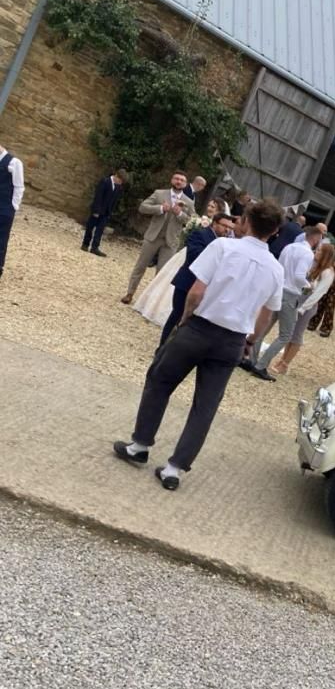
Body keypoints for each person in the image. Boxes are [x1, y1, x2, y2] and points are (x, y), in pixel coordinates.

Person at [112, 199, 285, 491]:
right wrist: (252, 339)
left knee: (160, 379)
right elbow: (268, 313)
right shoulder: (275, 269)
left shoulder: (222, 247)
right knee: (205, 406)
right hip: (232, 340)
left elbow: (196, 291)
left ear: (245, 221)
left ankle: (140, 444)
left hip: (201, 326)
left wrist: (184, 319)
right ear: (276, 230)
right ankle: (174, 468)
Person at [249, 225, 322, 381]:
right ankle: (261, 365)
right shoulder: (307, 253)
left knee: (265, 326)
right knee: (286, 334)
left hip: (278, 288)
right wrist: (309, 285)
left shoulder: (289, 247)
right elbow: (298, 276)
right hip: (290, 293)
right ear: (315, 238)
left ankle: (252, 359)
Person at [122, 170, 195, 305]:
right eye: (176, 178)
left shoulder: (189, 202)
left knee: (162, 273)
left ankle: (151, 301)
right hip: (153, 236)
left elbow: (191, 221)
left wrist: (180, 214)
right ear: (172, 180)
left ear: (185, 184)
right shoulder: (159, 193)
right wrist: (160, 208)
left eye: (182, 180)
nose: (178, 181)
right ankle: (129, 293)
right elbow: (143, 207)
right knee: (140, 266)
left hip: (171, 240)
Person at [160, 212, 233, 345]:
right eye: (224, 226)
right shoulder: (201, 234)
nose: (227, 230)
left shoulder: (227, 243)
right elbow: (193, 254)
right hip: (187, 282)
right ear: (215, 223)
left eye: (230, 227)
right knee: (177, 315)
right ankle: (162, 346)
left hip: (204, 287)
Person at [269, 243, 335, 376]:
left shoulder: (328, 272)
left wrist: (303, 308)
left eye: (319, 251)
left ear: (325, 255)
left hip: (307, 306)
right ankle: (283, 360)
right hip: (299, 302)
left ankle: (285, 364)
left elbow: (319, 293)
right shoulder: (315, 266)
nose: (316, 252)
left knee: (297, 334)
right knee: (290, 332)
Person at [306, 241, 335, 338]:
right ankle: (312, 323)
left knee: (330, 308)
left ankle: (326, 329)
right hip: (326, 283)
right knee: (320, 304)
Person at [81, 168, 127, 256]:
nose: (120, 183)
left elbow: (114, 201)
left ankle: (95, 247)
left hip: (106, 212)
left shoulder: (118, 187)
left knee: (100, 230)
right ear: (116, 176)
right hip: (98, 210)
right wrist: (96, 210)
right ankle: (85, 244)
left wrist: (110, 212)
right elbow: (98, 196)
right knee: (90, 227)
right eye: (120, 181)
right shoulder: (105, 181)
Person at [0, 142, 25, 282]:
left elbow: (19, 187)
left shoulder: (14, 163)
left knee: (1, 238)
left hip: (4, 208)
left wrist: (13, 207)